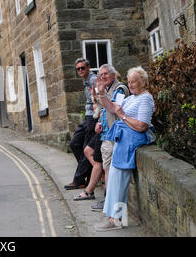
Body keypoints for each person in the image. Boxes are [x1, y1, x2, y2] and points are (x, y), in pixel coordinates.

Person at [94, 66, 155, 231]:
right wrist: (101, 93)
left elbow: (142, 125)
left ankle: (116, 220)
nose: (131, 84)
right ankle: (113, 218)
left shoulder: (146, 98)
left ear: (143, 81)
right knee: (114, 179)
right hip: (123, 141)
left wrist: (123, 116)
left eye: (134, 81)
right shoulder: (132, 98)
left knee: (119, 181)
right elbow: (112, 107)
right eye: (129, 81)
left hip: (131, 141)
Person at [74, 64, 130, 203]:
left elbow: (114, 108)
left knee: (108, 169)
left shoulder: (120, 89)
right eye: (101, 74)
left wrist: (100, 94)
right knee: (104, 166)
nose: (103, 76)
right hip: (106, 132)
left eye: (105, 74)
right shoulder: (109, 88)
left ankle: (108, 201)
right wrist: (100, 121)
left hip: (115, 134)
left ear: (113, 74)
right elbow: (105, 108)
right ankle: (106, 199)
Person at [64, 58, 98, 190]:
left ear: (88, 68)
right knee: (74, 143)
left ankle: (79, 180)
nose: (80, 71)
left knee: (86, 148)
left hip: (93, 117)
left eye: (82, 68)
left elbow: (99, 98)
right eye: (78, 69)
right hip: (88, 116)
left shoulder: (93, 80)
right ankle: (88, 171)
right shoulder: (86, 81)